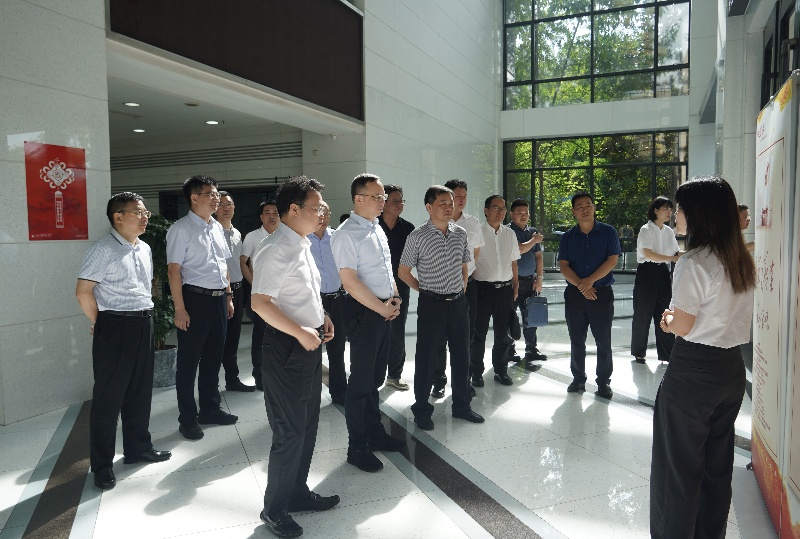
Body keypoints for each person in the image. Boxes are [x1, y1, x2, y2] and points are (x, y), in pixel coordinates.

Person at [650, 176, 755, 539]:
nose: (676, 214)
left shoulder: (694, 261)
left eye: (680, 208)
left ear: (698, 213)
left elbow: (682, 324)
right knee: (716, 468)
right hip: (731, 371)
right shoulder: (739, 259)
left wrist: (666, 320)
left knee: (677, 471)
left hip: (694, 372)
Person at [251, 176, 340, 539]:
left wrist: (321, 317)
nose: (321, 213)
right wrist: (301, 332)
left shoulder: (301, 243)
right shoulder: (276, 248)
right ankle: (274, 509)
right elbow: (260, 303)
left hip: (307, 343)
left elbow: (301, 293)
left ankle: (297, 492)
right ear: (293, 209)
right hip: (287, 347)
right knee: (289, 431)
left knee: (307, 424)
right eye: (316, 207)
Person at [76, 192, 171, 490]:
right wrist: (100, 322)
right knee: (109, 398)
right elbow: (83, 292)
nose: (145, 217)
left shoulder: (144, 247)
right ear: (118, 217)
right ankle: (102, 465)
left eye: (145, 212)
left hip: (143, 323)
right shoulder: (102, 249)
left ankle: (138, 448)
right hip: (114, 325)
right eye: (138, 212)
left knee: (140, 391)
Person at [332, 173, 406, 473]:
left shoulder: (375, 228)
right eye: (376, 197)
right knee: (360, 384)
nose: (382, 202)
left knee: (375, 378)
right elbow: (350, 282)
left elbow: (386, 270)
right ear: (358, 199)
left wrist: (395, 297)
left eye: (382, 197)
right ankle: (357, 446)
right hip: (365, 312)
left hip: (383, 309)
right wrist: (381, 308)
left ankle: (374, 433)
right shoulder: (346, 234)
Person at [399, 186, 485, 431]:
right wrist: (424, 289)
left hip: (458, 304)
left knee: (462, 355)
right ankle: (421, 410)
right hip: (432, 305)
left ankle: (462, 406)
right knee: (427, 358)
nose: (449, 208)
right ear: (429, 207)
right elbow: (403, 272)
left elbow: (465, 264)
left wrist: (463, 286)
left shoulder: (460, 233)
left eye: (451, 203)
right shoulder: (417, 236)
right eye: (442, 204)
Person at [167, 175, 238, 440]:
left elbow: (223, 265)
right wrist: (179, 308)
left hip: (219, 299)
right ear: (194, 197)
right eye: (211, 194)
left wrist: (228, 296)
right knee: (189, 363)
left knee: (213, 358)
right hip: (194, 300)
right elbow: (173, 271)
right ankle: (187, 419)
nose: (216, 198)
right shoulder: (181, 229)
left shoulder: (216, 227)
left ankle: (210, 409)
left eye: (217, 193)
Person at [558, 192, 621, 399]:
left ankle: (603, 382)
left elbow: (612, 260)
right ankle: (578, 378)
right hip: (575, 295)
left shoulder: (608, 232)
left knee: (603, 340)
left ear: (594, 208)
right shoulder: (567, 237)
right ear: (573, 211)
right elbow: (564, 266)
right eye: (580, 206)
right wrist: (582, 285)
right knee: (577, 339)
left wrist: (589, 281)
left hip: (601, 294)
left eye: (588, 205)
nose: (585, 209)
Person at [432, 179, 485, 399]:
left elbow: (476, 254)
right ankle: (438, 381)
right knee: (439, 337)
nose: (461, 200)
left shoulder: (472, 223)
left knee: (465, 337)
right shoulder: (433, 223)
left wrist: (465, 276)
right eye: (457, 196)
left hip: (466, 287)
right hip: (439, 289)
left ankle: (463, 381)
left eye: (464, 196)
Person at [470, 195, 520, 388]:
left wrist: (515, 285)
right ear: (486, 210)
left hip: (505, 290)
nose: (500, 212)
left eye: (503, 209)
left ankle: (500, 370)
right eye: (496, 208)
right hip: (482, 290)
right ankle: (476, 372)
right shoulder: (478, 233)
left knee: (503, 335)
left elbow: (513, 262)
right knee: (478, 334)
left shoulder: (510, 234)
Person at [630, 196, 680, 364]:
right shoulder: (645, 229)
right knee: (642, 313)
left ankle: (667, 354)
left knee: (664, 312)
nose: (669, 212)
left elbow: (676, 253)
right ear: (655, 210)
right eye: (666, 208)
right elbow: (648, 254)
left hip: (663, 273)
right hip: (647, 272)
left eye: (671, 209)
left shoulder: (669, 231)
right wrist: (671, 258)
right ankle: (639, 352)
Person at [308, 201, 348, 405]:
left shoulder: (337, 237)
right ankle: (311, 395)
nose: (323, 217)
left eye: (327, 213)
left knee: (337, 349)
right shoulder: (303, 240)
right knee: (313, 350)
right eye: (319, 213)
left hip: (337, 299)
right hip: (313, 302)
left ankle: (340, 393)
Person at [216, 191, 254, 392]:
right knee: (217, 339)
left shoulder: (237, 233)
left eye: (229, 204)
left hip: (238, 290)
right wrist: (227, 294)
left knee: (233, 338)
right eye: (221, 204)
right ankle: (212, 384)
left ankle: (232, 380)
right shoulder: (212, 232)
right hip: (220, 292)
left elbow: (241, 264)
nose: (225, 208)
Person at [240, 201, 280, 391]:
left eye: (275, 212)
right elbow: (243, 262)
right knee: (261, 336)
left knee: (281, 335)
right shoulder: (253, 236)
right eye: (267, 212)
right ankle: (260, 377)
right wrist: (255, 285)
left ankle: (278, 375)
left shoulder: (285, 235)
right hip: (261, 296)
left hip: (282, 296)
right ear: (261, 217)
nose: (272, 216)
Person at [379, 184, 415, 391]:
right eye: (395, 200)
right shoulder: (373, 226)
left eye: (401, 200)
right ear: (383, 203)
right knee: (375, 332)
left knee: (397, 331)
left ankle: (394, 375)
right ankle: (372, 374)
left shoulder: (408, 229)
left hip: (400, 289)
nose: (400, 204)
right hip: (373, 289)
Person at [507, 199, 546, 363]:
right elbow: (520, 249)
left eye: (526, 213)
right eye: (519, 213)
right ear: (511, 214)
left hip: (530, 281)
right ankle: (509, 350)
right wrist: (534, 240)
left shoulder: (533, 231)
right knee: (510, 317)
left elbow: (538, 256)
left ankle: (531, 349)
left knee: (531, 316)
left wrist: (540, 278)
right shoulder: (508, 231)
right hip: (512, 282)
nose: (523, 216)